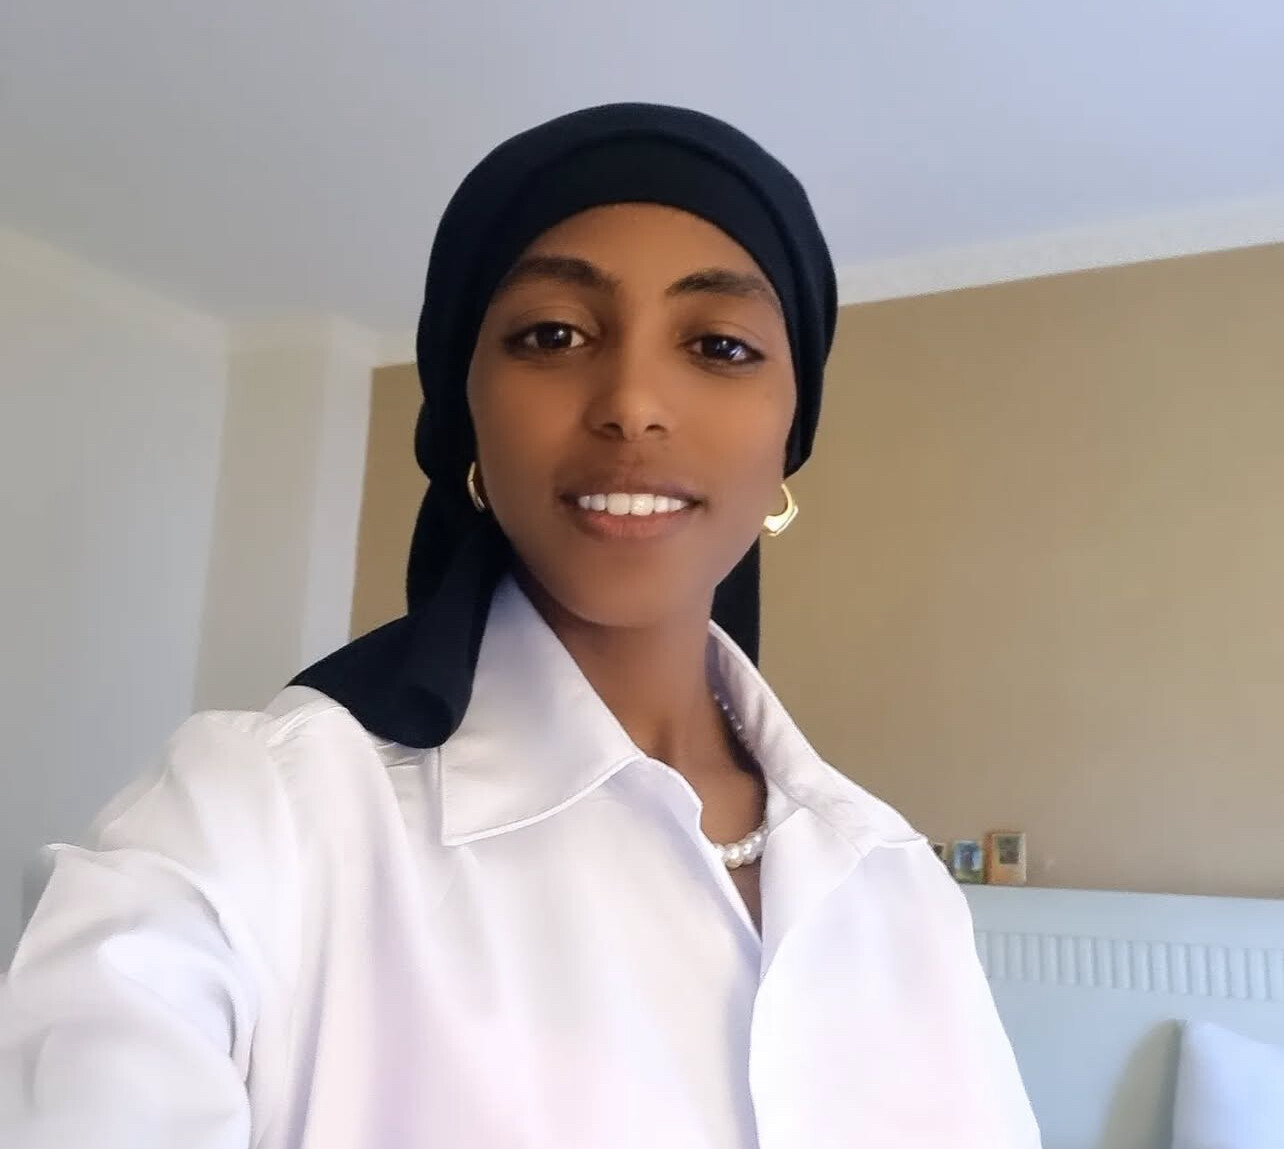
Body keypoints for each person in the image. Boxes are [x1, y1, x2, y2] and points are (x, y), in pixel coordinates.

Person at [0, 103, 1040, 1148]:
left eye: (719, 345)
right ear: (467, 414)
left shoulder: (896, 884)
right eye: (553, 335)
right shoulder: (251, 821)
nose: (632, 402)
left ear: (789, 440)